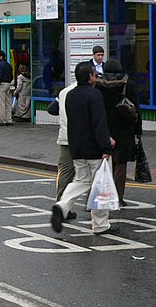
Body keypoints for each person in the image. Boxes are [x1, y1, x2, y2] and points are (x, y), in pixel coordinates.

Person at [51, 61, 117, 235]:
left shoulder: (70, 95)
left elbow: (73, 123)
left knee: (81, 181)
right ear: (89, 77)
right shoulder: (94, 95)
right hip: (95, 149)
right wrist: (106, 145)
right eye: (94, 73)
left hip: (76, 148)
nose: (96, 76)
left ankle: (62, 205)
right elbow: (98, 123)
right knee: (100, 185)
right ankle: (101, 224)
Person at [95, 58, 141, 207]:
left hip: (105, 128)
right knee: (120, 164)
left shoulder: (98, 86)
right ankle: (117, 197)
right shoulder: (129, 85)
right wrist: (138, 131)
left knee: (104, 162)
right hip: (124, 129)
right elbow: (136, 109)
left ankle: (102, 193)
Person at [47, 82, 77, 219]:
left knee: (65, 173)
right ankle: (95, 209)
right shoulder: (90, 92)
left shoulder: (64, 92)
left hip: (65, 138)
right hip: (85, 139)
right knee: (89, 175)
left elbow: (51, 109)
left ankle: (61, 206)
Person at [0, 50, 14, 126]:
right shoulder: (8, 65)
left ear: (1, 56)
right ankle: (9, 119)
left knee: (0, 103)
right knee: (8, 103)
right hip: (8, 84)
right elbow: (11, 76)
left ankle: (2, 120)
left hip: (1, 85)